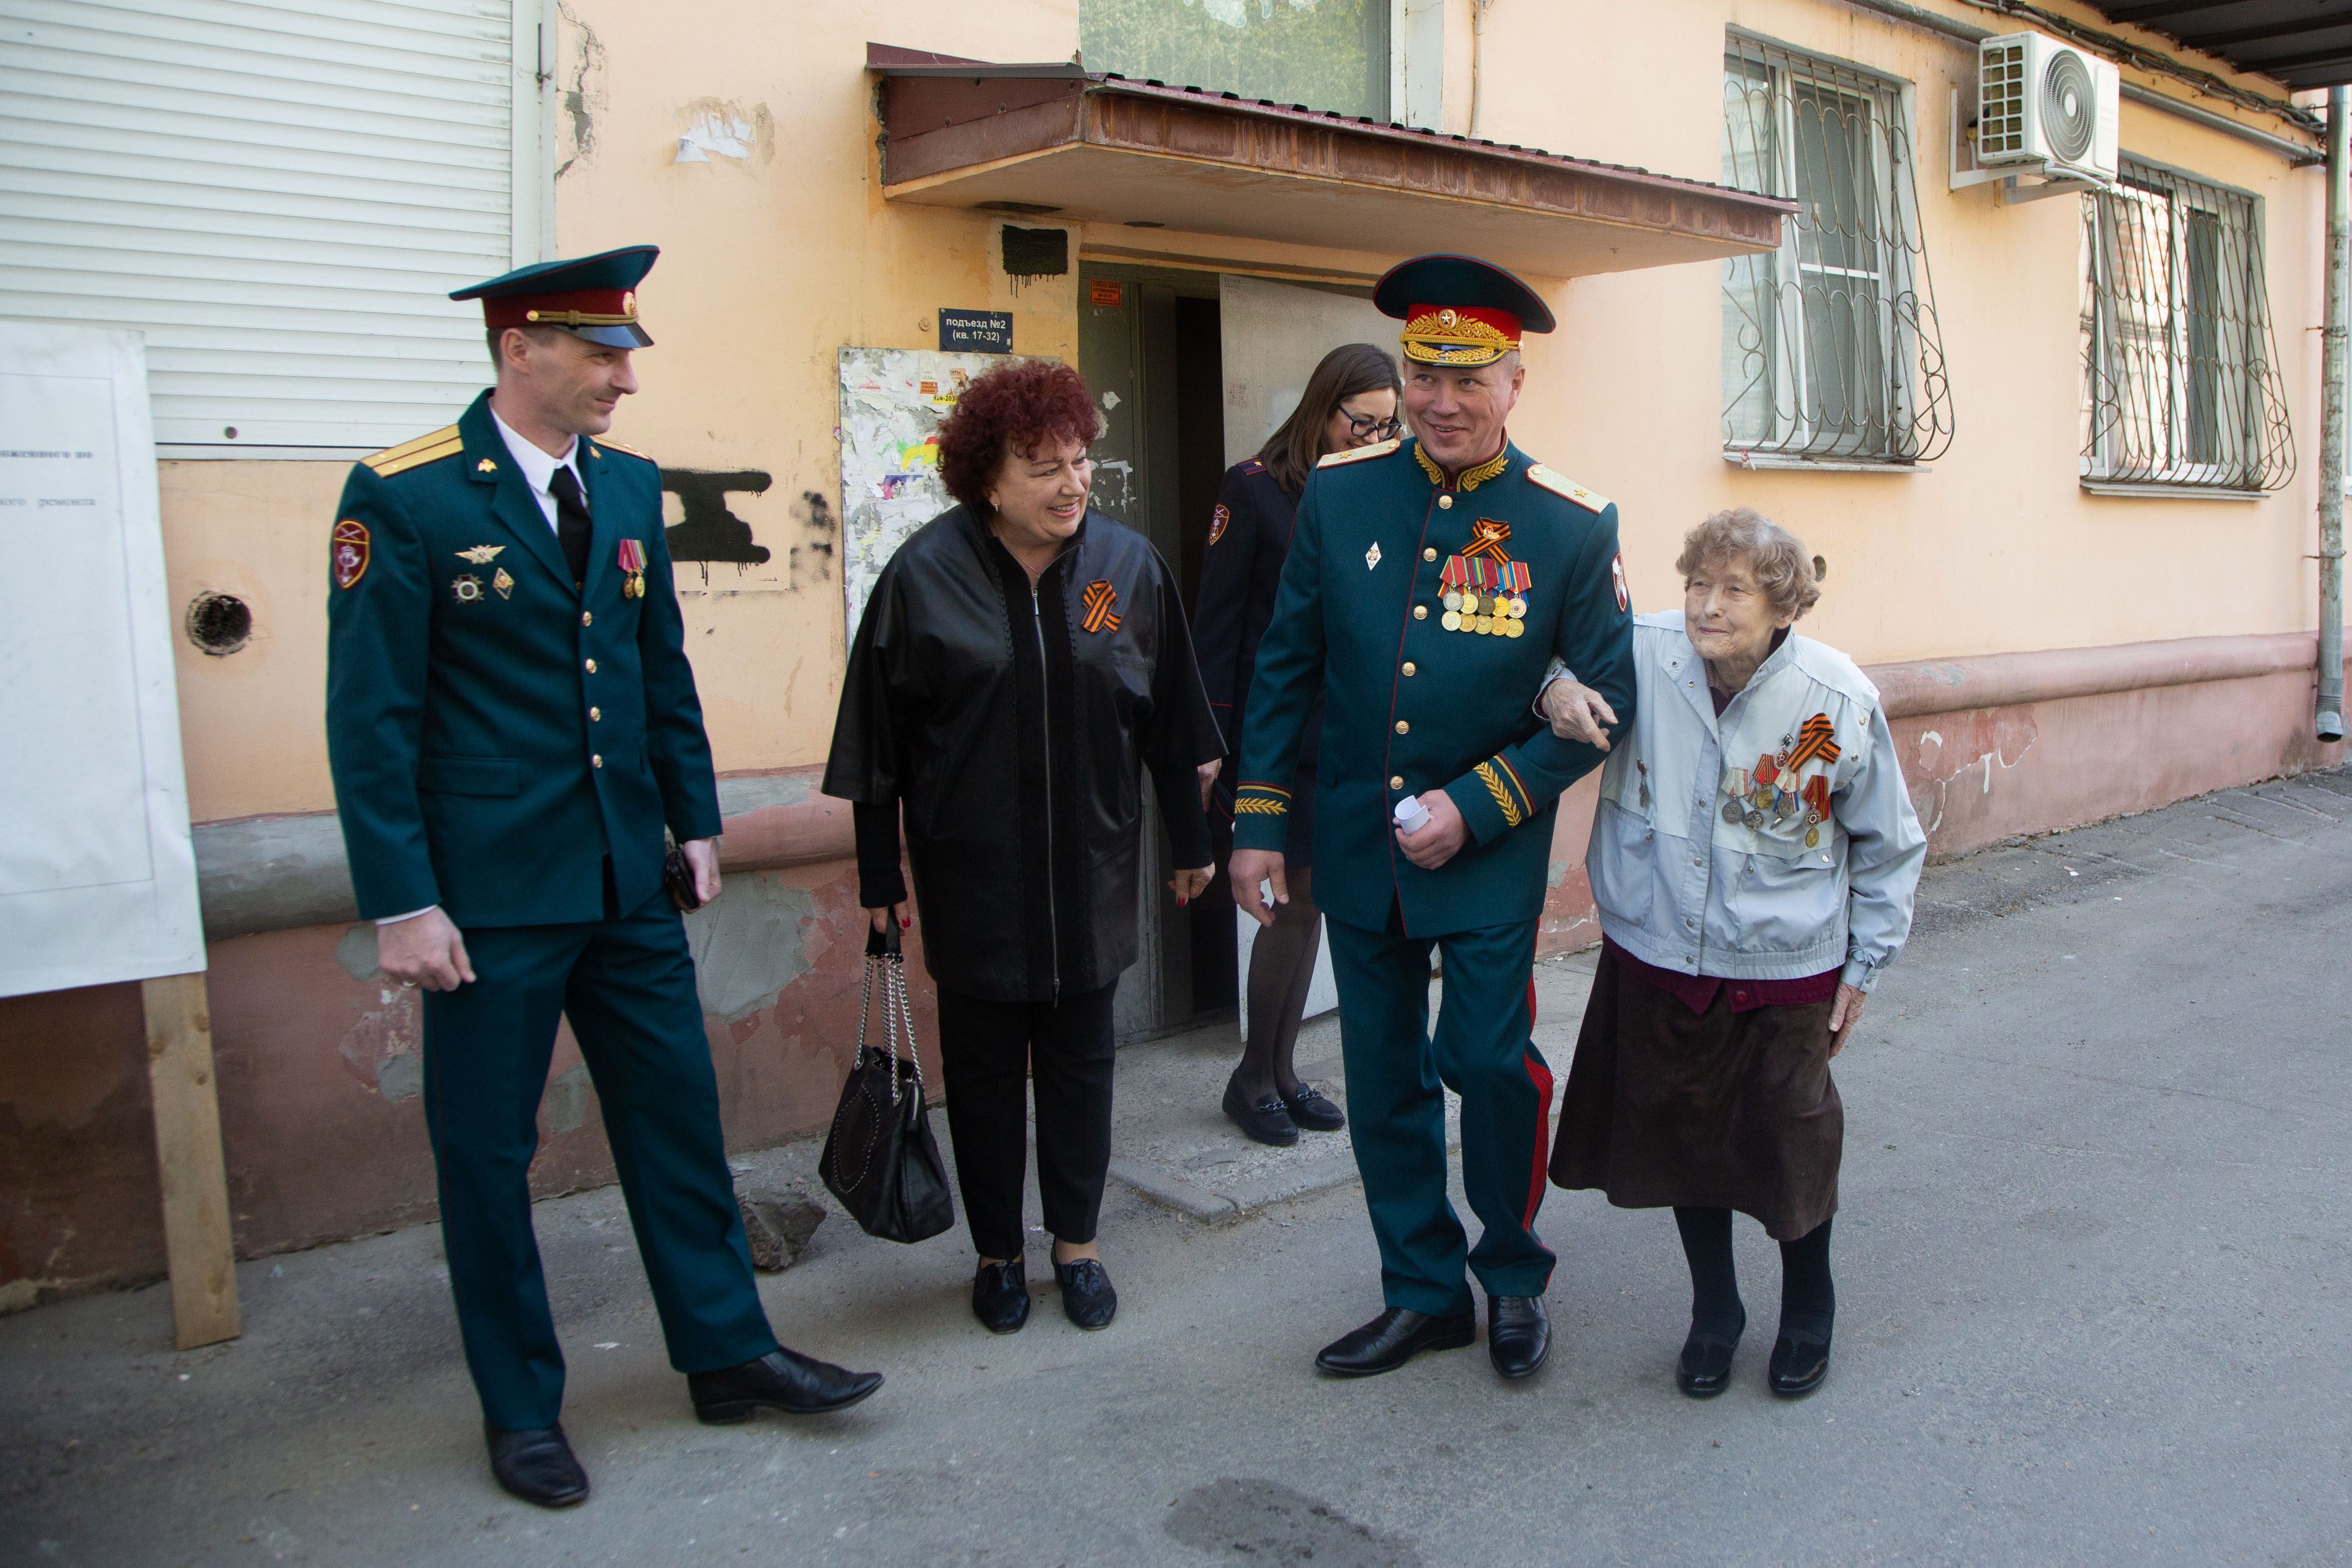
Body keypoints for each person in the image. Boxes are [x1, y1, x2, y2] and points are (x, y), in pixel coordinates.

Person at [324, 247, 881, 1509]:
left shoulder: (624, 488)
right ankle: (519, 1406)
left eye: (623, 352)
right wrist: (403, 899)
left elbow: (653, 667)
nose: (623, 377)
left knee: (676, 1117)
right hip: (488, 895)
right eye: (597, 351)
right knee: (485, 1152)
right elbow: (370, 721)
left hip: (626, 873)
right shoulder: (405, 498)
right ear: (519, 350)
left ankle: (726, 1350)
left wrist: (691, 818)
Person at [1226, 254, 1636, 1381]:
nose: (1440, 401)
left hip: (1487, 852)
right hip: (1360, 846)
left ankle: (1511, 1272)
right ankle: (1421, 1288)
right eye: (1422, 374)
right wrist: (1256, 820)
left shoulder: (1569, 524)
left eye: (1468, 379)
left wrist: (1475, 803)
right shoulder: (1343, 492)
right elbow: (1285, 665)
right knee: (1382, 1076)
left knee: (1488, 1062)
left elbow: (1607, 705)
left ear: (1514, 384)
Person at [822, 359, 1222, 1337]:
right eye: (1043, 466)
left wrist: (1190, 843)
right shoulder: (922, 579)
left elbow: (1172, 723)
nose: (1071, 483)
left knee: (1086, 1069)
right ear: (986, 480)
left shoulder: (1130, 569)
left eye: (1080, 461)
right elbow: (876, 748)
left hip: (1092, 874)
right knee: (990, 1078)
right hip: (975, 883)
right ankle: (998, 1254)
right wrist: (882, 876)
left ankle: (1077, 1249)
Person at [1540, 507, 1925, 1399]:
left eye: (1733, 590)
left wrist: (1863, 969)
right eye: (1697, 585)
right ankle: (1715, 1311)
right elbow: (1547, 656)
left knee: (1792, 1139)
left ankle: (1809, 1306)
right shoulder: (1643, 648)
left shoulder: (1837, 699)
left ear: (1783, 605)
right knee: (1682, 1140)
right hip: (1658, 950)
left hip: (1786, 966)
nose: (1706, 607)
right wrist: (1557, 685)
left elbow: (1889, 845)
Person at [1192, 342, 1404, 1146]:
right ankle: (1253, 1077)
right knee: (1285, 909)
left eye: (1389, 428)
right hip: (1269, 737)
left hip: (1339, 736)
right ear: (1324, 407)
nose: (1374, 439)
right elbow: (1214, 624)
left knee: (1310, 905)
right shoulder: (1252, 491)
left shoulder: (1368, 494)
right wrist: (1211, 741)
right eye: (1363, 422)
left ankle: (1279, 1072)